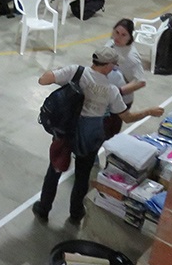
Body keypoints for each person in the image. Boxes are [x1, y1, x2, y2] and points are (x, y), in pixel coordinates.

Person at [32, 47, 163, 225]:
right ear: (108, 66)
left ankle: (44, 208)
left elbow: (43, 80)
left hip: (66, 130)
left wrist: (57, 72)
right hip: (90, 135)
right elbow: (127, 116)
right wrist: (150, 111)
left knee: (55, 169)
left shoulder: (75, 72)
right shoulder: (111, 90)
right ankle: (76, 212)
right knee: (82, 176)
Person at [104, 18, 147, 135]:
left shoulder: (132, 57)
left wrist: (119, 91)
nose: (118, 37)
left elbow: (141, 81)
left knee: (109, 133)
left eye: (123, 35)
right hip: (105, 96)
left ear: (130, 37)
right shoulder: (111, 44)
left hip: (121, 100)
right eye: (116, 32)